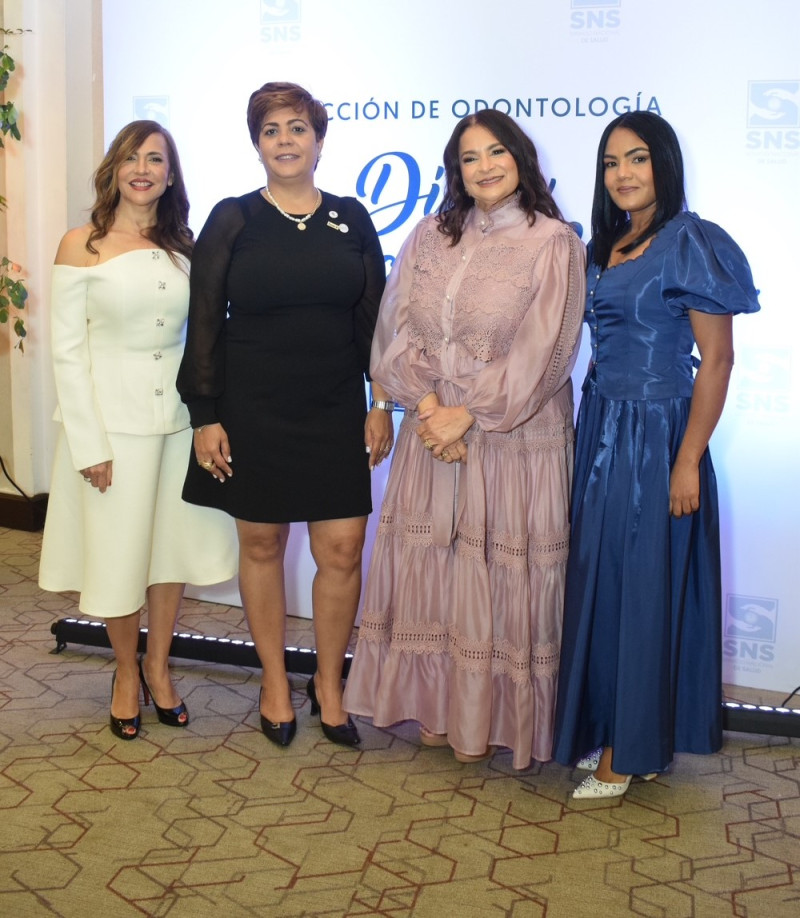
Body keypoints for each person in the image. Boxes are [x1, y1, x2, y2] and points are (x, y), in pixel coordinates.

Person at [342, 110, 585, 769]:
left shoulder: (553, 241)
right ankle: (443, 706)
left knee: (498, 574)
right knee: (440, 572)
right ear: (456, 170)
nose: (484, 166)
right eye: (469, 157)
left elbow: (549, 355)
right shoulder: (429, 235)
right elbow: (394, 335)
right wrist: (428, 407)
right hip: (431, 433)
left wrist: (468, 416)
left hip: (513, 440)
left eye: (496, 151)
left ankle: (498, 719)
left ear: (521, 158)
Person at [177, 82, 391, 749]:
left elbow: (375, 322)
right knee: (262, 545)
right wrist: (205, 415)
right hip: (253, 407)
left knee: (343, 548)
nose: (286, 141)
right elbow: (205, 320)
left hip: (333, 406)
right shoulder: (233, 218)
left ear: (320, 139)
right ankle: (275, 680)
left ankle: (329, 683)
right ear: (256, 144)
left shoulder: (352, 217)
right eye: (271, 130)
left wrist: (381, 402)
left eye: (297, 128)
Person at [552, 112, 760, 798]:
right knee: (605, 587)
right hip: (602, 431)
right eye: (611, 163)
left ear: (663, 165)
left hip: (659, 440)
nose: (623, 174)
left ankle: (630, 750)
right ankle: (613, 729)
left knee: (644, 591)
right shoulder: (606, 244)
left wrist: (686, 459)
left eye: (637, 159)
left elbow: (719, 361)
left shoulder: (691, 242)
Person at [39, 120, 238, 741]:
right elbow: (67, 354)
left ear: (171, 174)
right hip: (111, 429)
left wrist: (211, 419)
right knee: (121, 555)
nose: (143, 168)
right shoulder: (82, 245)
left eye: (156, 158)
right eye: (132, 158)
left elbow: (205, 338)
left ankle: (159, 665)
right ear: (114, 170)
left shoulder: (188, 248)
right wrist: (89, 442)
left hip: (176, 425)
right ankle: (126, 671)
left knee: (168, 552)